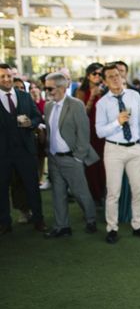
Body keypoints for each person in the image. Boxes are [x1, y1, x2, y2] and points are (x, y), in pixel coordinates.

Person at [95, 63, 140, 244]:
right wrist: (117, 123)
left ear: (122, 76)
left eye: (117, 75)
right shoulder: (102, 103)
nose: (115, 78)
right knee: (113, 192)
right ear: (105, 81)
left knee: (139, 190)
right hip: (114, 150)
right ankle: (112, 228)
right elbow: (100, 132)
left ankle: (138, 225)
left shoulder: (135, 96)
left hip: (135, 149)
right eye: (110, 76)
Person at [42, 72, 99, 238]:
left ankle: (91, 220)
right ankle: (62, 226)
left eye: (49, 88)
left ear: (61, 87)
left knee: (80, 192)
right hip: (53, 158)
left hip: (71, 158)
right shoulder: (48, 106)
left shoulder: (76, 105)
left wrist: (78, 157)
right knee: (58, 194)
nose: (47, 91)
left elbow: (83, 132)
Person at [0, 63, 47, 234]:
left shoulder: (24, 97)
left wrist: (31, 123)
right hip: (2, 154)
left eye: (8, 76)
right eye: (2, 76)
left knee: (32, 187)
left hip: (25, 151)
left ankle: (38, 219)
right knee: (2, 189)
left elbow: (37, 117)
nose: (6, 79)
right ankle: (4, 223)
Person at [75, 62, 107, 206]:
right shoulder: (81, 92)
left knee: (104, 165)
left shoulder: (107, 90)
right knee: (91, 166)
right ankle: (93, 197)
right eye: (95, 73)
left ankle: (104, 194)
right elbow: (82, 115)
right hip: (88, 133)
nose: (98, 76)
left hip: (104, 133)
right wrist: (92, 97)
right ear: (88, 75)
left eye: (101, 74)